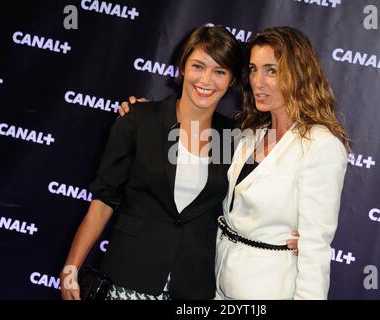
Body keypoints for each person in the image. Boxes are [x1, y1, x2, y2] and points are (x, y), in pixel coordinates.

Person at [60, 25, 298, 300]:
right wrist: (70, 269)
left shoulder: (234, 139)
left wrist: (295, 236)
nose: (206, 80)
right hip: (127, 278)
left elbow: (256, 200)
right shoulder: (140, 120)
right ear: (182, 67)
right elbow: (102, 204)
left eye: (219, 71)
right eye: (198, 66)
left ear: (231, 80)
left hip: (193, 287)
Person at [214, 27, 349, 300]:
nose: (257, 82)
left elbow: (314, 248)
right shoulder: (252, 133)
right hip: (220, 287)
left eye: (271, 70)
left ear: (298, 75)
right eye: (253, 69)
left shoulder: (321, 145)